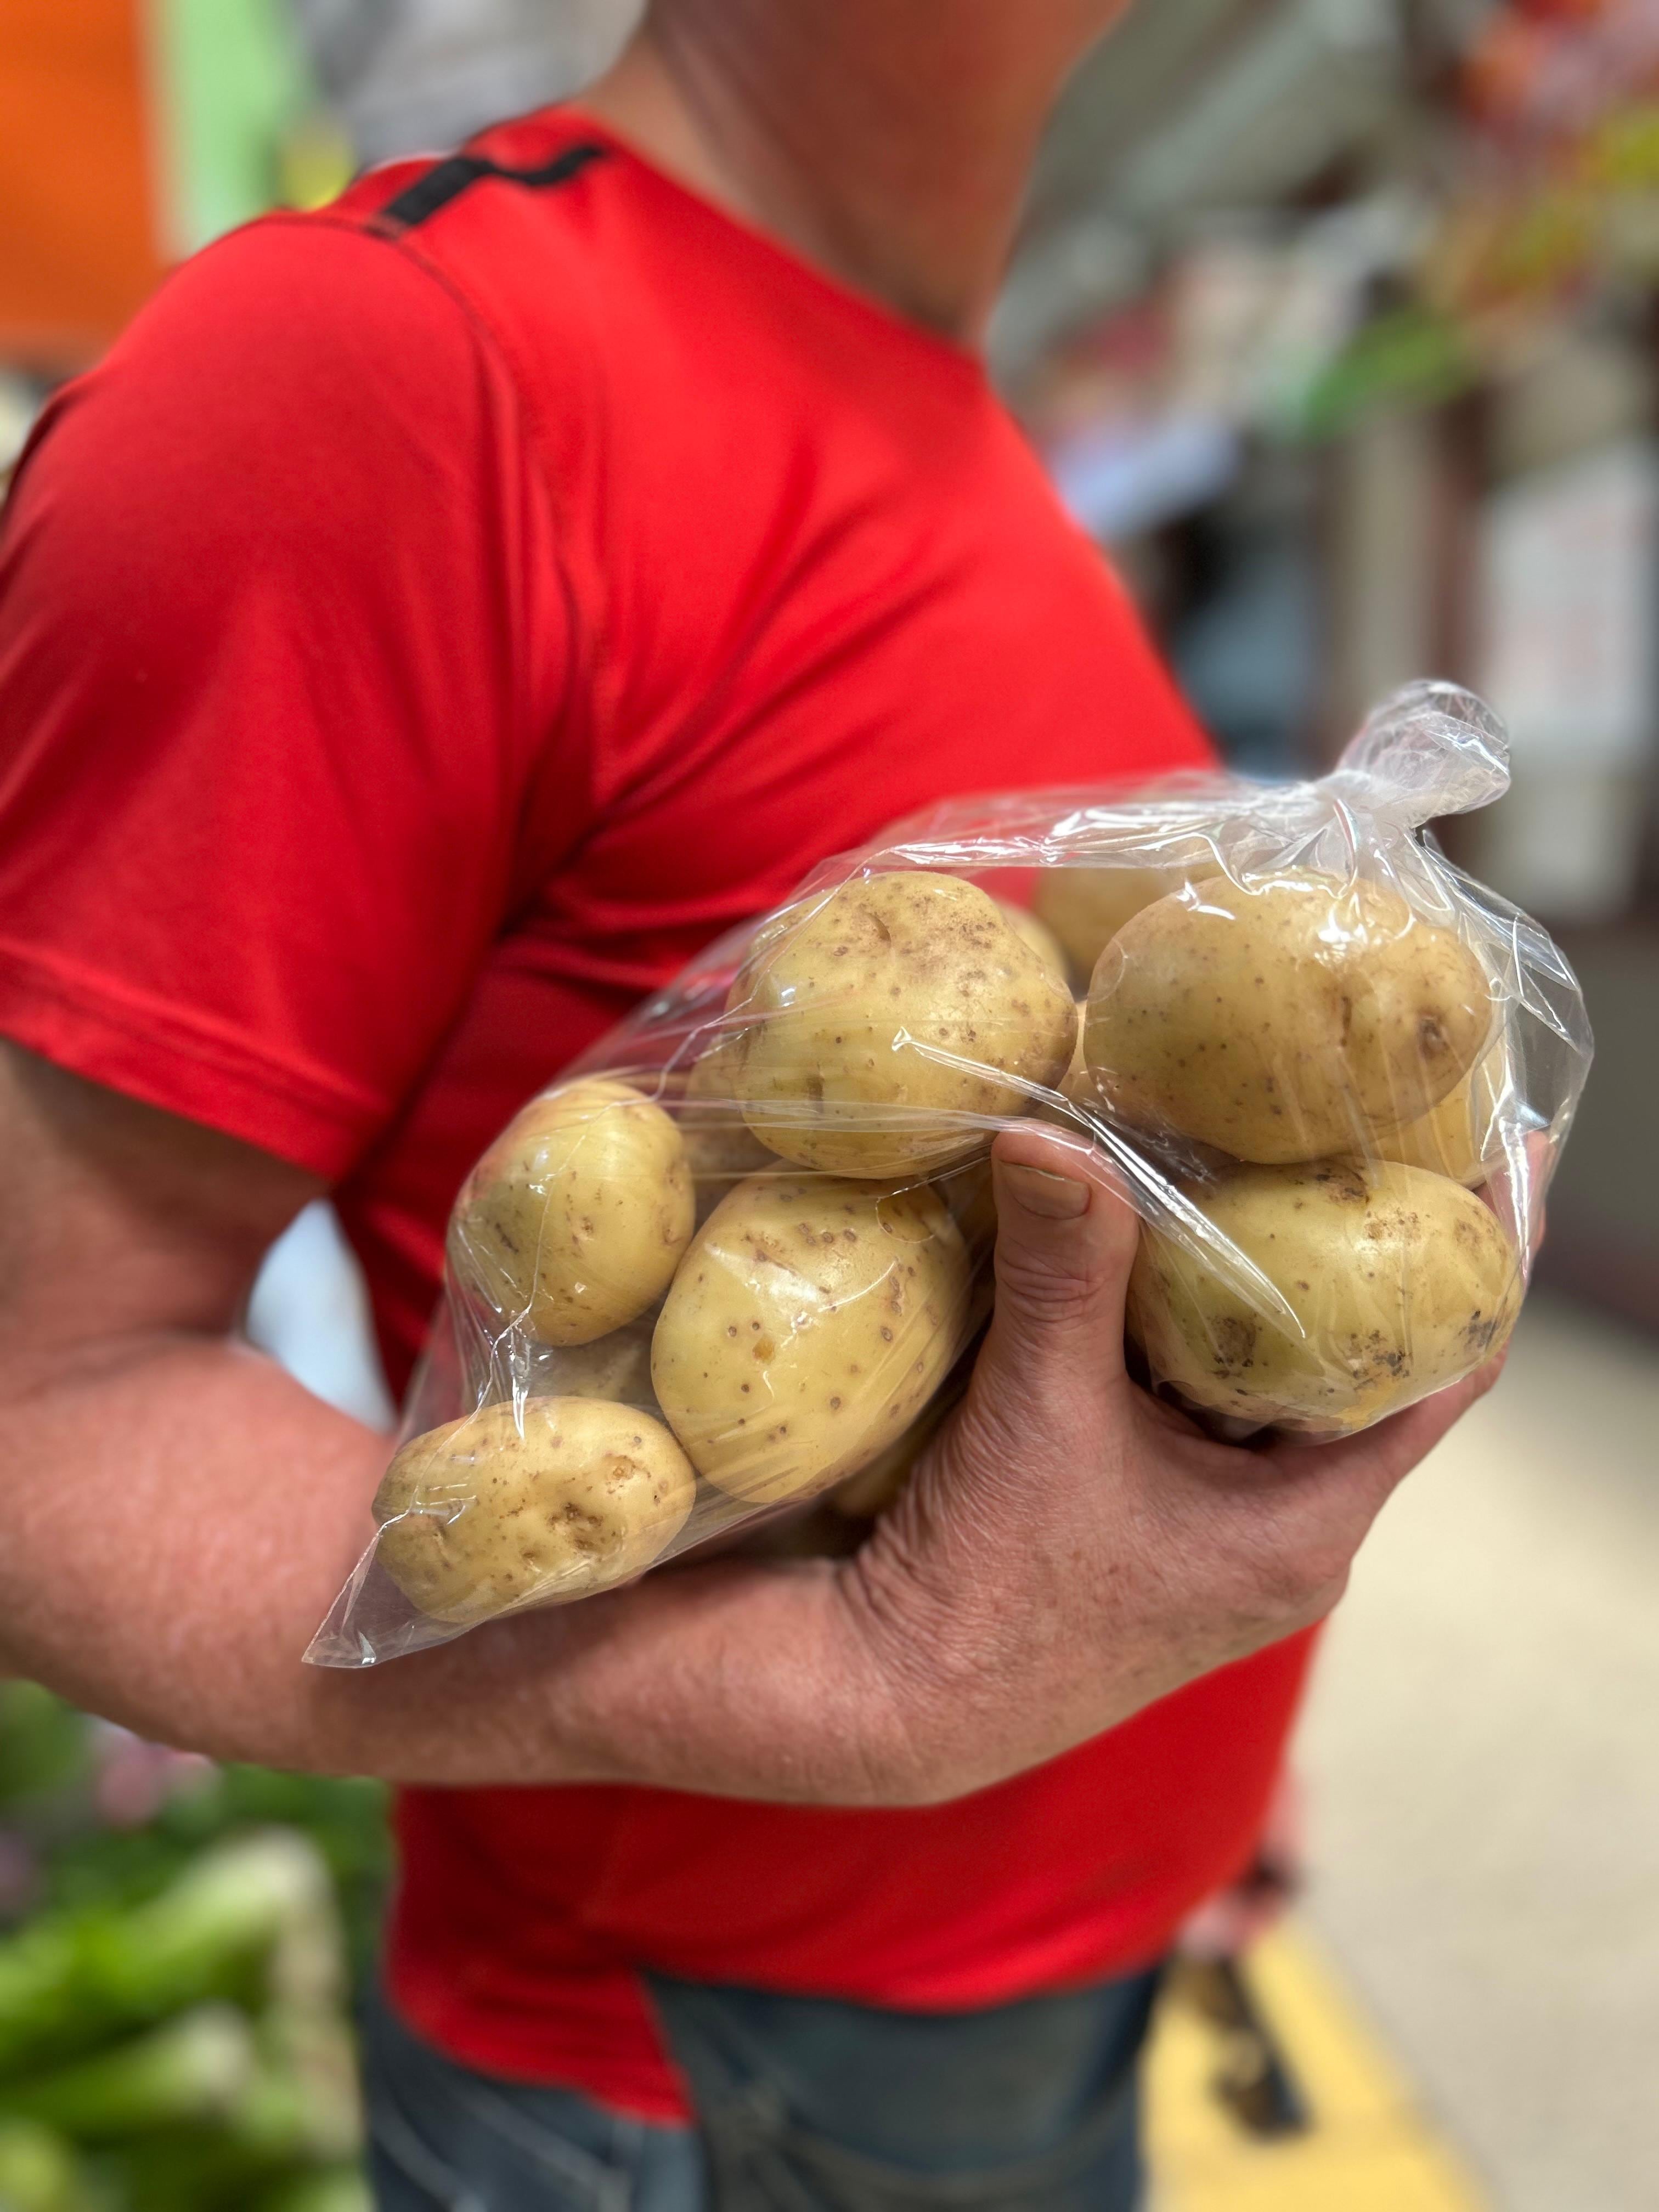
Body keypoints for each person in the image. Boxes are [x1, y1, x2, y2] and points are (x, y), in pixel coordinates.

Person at [0, 4, 1500, 2206]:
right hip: (693, 2092)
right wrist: (858, 1691)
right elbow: (39, 1400)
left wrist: (1182, 1731)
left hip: (1055, 1996)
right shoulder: (388, 367)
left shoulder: (983, 454)